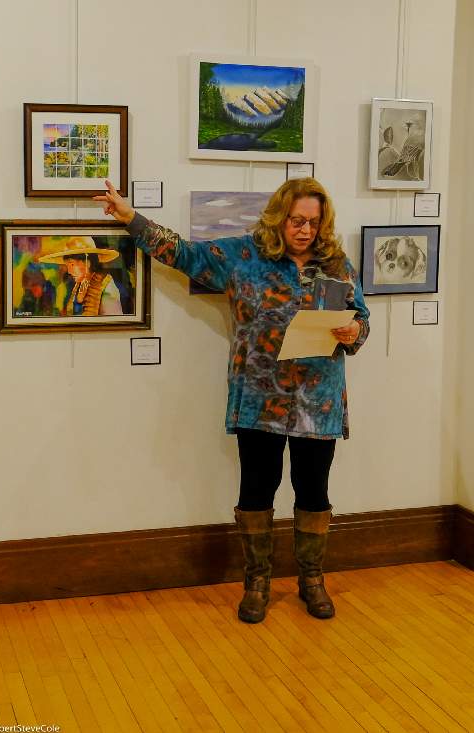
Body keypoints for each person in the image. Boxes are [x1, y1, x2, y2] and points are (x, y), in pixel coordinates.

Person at [94, 178, 370, 624]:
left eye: (314, 222)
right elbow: (184, 254)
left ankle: (312, 580)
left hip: (317, 401)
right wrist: (130, 217)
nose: (305, 230)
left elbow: (361, 318)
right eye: (297, 220)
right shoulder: (243, 256)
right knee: (257, 488)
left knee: (313, 491)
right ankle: (257, 582)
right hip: (258, 398)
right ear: (278, 217)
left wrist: (355, 330)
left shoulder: (337, 264)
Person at [38, 236, 123, 316]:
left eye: (72, 265)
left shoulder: (106, 287)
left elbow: (112, 322)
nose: (69, 271)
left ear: (87, 262)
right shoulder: (77, 286)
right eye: (67, 266)